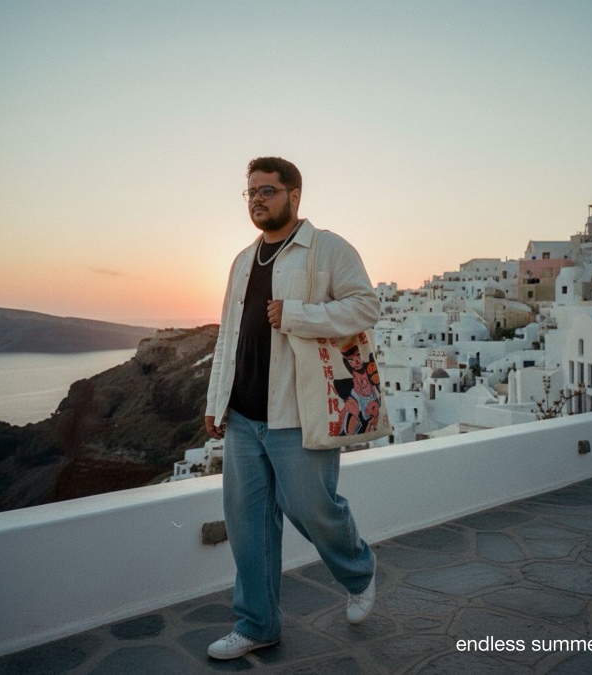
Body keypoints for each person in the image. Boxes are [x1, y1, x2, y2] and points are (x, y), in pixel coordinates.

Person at [205, 157, 379, 661]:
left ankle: (360, 571)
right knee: (247, 524)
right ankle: (257, 624)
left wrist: (298, 315)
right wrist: (216, 401)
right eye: (251, 192)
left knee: (312, 509)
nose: (257, 199)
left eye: (268, 190)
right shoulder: (243, 260)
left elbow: (366, 306)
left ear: (294, 195)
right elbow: (229, 339)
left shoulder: (327, 249)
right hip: (242, 416)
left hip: (299, 412)